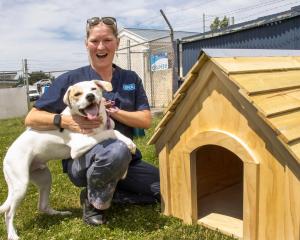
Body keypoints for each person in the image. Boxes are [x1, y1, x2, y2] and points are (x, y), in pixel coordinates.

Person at [25, 16, 160, 226]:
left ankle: (111, 193)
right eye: (94, 41)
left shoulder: (130, 79)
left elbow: (145, 120)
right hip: (84, 161)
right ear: (86, 43)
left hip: (128, 161)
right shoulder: (70, 80)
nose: (101, 46)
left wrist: (110, 110)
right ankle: (94, 204)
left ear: (117, 42)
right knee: (117, 149)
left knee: (163, 188)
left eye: (107, 40)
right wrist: (67, 122)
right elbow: (31, 118)